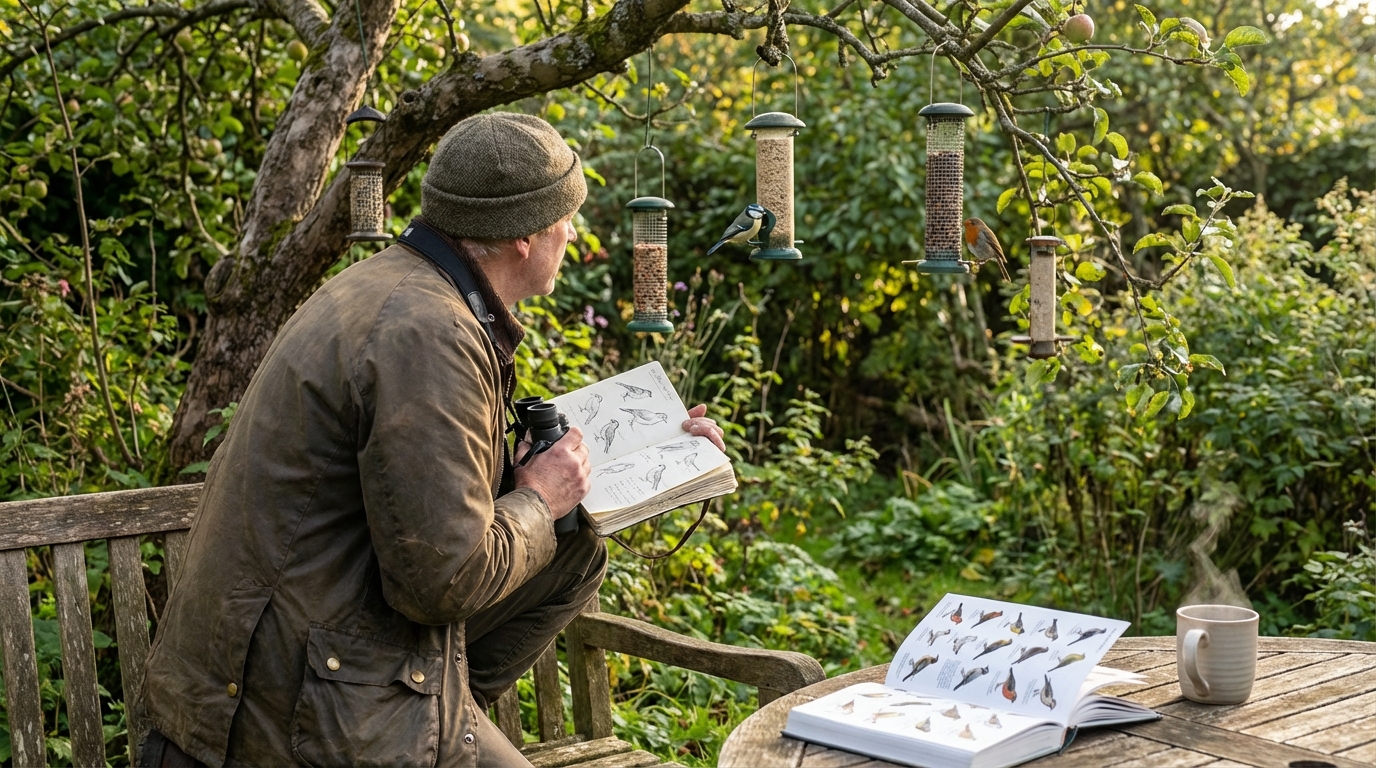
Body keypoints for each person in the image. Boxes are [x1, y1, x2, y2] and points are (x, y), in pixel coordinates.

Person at [139, 112, 725, 767]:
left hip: (330, 672)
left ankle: (441, 716)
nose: (571, 231)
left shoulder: (405, 289)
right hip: (276, 725)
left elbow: (418, 501)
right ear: (527, 235)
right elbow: (440, 583)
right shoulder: (427, 335)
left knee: (576, 551)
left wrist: (662, 447)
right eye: (567, 216)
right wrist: (537, 500)